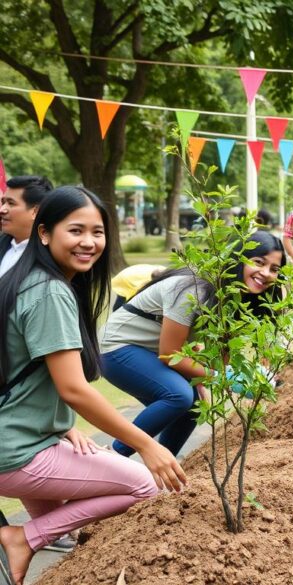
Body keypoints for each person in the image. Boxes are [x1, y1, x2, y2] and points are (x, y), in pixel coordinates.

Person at [0, 187, 185, 585]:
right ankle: (21, 538)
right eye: (76, 230)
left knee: (71, 527)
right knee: (144, 485)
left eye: (98, 232)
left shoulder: (29, 281)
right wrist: (147, 444)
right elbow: (74, 389)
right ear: (45, 233)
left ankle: (32, 545)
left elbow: (24, 372)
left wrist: (64, 428)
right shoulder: (48, 291)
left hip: (23, 440)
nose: (89, 242)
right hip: (17, 452)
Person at [99, 231, 286, 458]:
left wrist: (227, 374)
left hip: (149, 351)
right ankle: (111, 458)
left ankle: (164, 468)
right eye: (258, 262)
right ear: (238, 258)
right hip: (117, 347)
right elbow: (170, 354)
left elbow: (218, 361)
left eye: (274, 269)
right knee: (178, 395)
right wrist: (219, 377)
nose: (265, 273)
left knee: (193, 406)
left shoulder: (236, 299)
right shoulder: (194, 289)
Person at [0, 175, 54, 278]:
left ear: (36, 211)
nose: (2, 210)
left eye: (11, 203)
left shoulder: (49, 257)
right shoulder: (3, 244)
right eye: (3, 202)